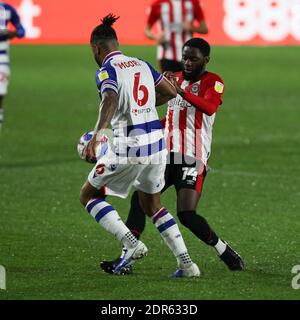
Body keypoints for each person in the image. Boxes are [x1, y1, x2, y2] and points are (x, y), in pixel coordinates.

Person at [100, 38, 245, 275]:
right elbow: (163, 115)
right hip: (165, 155)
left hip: (191, 157)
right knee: (139, 201)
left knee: (187, 214)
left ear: (206, 60)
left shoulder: (213, 82)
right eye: (185, 57)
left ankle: (223, 250)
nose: (187, 62)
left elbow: (209, 108)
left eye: (193, 58)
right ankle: (126, 256)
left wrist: (178, 90)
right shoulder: (174, 78)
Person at [79, 14, 201, 277]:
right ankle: (187, 264)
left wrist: (99, 133)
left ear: (96, 48)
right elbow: (169, 91)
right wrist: (144, 106)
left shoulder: (106, 70)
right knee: (152, 205)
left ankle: (131, 243)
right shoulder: (142, 64)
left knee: (88, 195)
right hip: (157, 144)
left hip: (130, 146)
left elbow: (110, 97)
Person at [144, 0, 208, 73]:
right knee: (168, 83)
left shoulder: (193, 3)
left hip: (189, 55)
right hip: (167, 54)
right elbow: (146, 30)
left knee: (189, 84)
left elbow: (204, 29)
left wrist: (191, 27)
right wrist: (156, 37)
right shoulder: (158, 4)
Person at [0, 2, 25, 129]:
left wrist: (13, 33)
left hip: (1, 57)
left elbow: (21, 31)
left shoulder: (7, 9)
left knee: (0, 93)